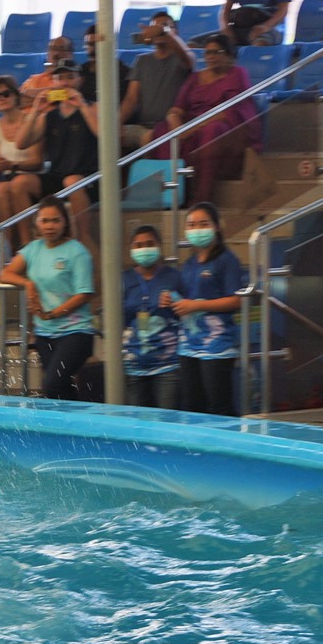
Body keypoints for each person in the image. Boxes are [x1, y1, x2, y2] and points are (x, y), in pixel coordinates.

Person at [0, 195, 95, 401]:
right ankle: (77, 418)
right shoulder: (34, 249)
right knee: (57, 390)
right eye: (45, 220)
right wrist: (28, 284)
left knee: (52, 384)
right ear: (37, 223)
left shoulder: (77, 252)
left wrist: (51, 314)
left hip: (75, 332)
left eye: (55, 220)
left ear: (65, 222)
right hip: (45, 333)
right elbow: (5, 274)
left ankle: (82, 416)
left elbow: (84, 294)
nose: (50, 226)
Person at [149, 33, 261, 206]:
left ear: (229, 56)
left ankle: (202, 198)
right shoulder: (195, 78)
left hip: (222, 128)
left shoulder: (237, 74)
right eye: (208, 52)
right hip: (190, 127)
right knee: (162, 131)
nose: (211, 57)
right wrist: (174, 121)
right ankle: (171, 195)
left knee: (212, 132)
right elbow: (177, 108)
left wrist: (190, 129)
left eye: (216, 52)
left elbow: (229, 112)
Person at [160, 201, 242, 416]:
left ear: (217, 226)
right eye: (191, 225)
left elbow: (236, 301)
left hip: (217, 346)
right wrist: (170, 299)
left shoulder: (227, 261)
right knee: (192, 405)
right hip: (188, 345)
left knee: (218, 405)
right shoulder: (190, 264)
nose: (197, 230)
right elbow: (186, 299)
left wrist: (197, 305)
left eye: (203, 224)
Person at [15, 59, 99, 254]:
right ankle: (28, 245)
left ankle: (82, 238)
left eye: (70, 77)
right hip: (57, 175)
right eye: (60, 78)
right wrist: (35, 109)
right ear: (53, 82)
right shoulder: (49, 116)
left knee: (71, 181)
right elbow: (21, 143)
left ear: (79, 80)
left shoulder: (93, 108)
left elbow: (105, 136)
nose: (65, 82)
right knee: (20, 183)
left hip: (88, 177)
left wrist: (82, 106)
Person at [122, 224, 182, 409]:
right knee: (137, 420)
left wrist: (175, 301)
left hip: (168, 364)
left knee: (167, 417)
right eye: (138, 245)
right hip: (134, 364)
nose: (144, 249)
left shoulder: (174, 277)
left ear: (159, 246)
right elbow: (118, 319)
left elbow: (187, 314)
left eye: (149, 244)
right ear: (131, 249)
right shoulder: (124, 280)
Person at [0, 74, 43, 248]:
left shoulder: (31, 120)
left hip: (31, 176)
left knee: (17, 184)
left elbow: (37, 161)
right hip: (8, 177)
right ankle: (6, 247)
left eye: (6, 94)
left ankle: (26, 242)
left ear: (16, 96)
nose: (1, 98)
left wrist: (12, 165)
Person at [119, 12, 195, 150]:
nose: (158, 31)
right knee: (107, 135)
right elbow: (131, 99)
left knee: (150, 138)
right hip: (142, 126)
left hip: (171, 127)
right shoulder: (141, 60)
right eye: (154, 28)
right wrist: (116, 124)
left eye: (165, 26)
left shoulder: (182, 59)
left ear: (175, 32)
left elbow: (188, 57)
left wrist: (163, 31)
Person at [199, 0, 291, 47]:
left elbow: (283, 9)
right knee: (195, 44)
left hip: (268, 28)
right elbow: (225, 9)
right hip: (239, 28)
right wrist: (226, 28)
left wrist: (265, 27)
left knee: (260, 44)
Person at [81, 24, 131, 104]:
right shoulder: (81, 71)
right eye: (89, 44)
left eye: (97, 45)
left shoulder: (124, 73)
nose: (92, 50)